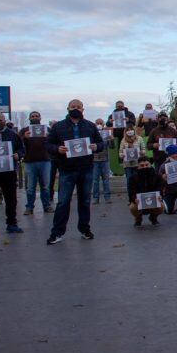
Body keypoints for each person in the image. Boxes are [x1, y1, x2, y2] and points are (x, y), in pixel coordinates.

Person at [46, 99, 104, 244]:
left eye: (78, 107)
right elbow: (48, 144)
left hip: (86, 168)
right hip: (67, 169)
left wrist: (96, 147)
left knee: (84, 201)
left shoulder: (90, 126)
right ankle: (57, 232)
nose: (75, 109)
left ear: (83, 109)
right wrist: (57, 149)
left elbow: (101, 143)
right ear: (68, 108)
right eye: (73, 107)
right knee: (63, 202)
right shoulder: (58, 126)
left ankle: (84, 229)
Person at [0, 113, 25, 236]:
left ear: (4, 121)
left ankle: (12, 224)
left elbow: (21, 149)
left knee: (11, 199)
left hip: (9, 172)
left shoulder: (12, 134)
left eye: (0, 120)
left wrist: (18, 155)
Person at [19, 111, 53, 214]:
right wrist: (24, 137)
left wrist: (49, 137)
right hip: (30, 162)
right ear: (29, 119)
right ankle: (29, 207)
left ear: (40, 117)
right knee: (30, 187)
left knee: (45, 186)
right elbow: (18, 144)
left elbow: (53, 143)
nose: (35, 118)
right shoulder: (24, 130)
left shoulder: (47, 129)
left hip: (45, 161)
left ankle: (47, 206)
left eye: (37, 116)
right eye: (32, 116)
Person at [127, 156, 164, 227]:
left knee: (161, 206)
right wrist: (134, 199)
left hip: (153, 201)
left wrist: (160, 196)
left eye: (147, 165)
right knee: (132, 207)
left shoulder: (158, 176)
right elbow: (131, 192)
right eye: (142, 165)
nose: (145, 167)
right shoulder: (132, 178)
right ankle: (138, 218)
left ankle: (153, 218)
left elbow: (160, 189)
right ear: (138, 166)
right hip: (139, 202)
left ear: (150, 165)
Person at [92, 119, 113, 204]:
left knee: (106, 180)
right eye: (98, 123)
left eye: (101, 123)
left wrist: (111, 140)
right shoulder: (92, 134)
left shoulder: (107, 133)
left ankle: (107, 197)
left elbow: (112, 147)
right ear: (95, 124)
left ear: (103, 125)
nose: (99, 125)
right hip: (94, 160)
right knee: (95, 180)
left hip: (105, 160)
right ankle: (96, 198)